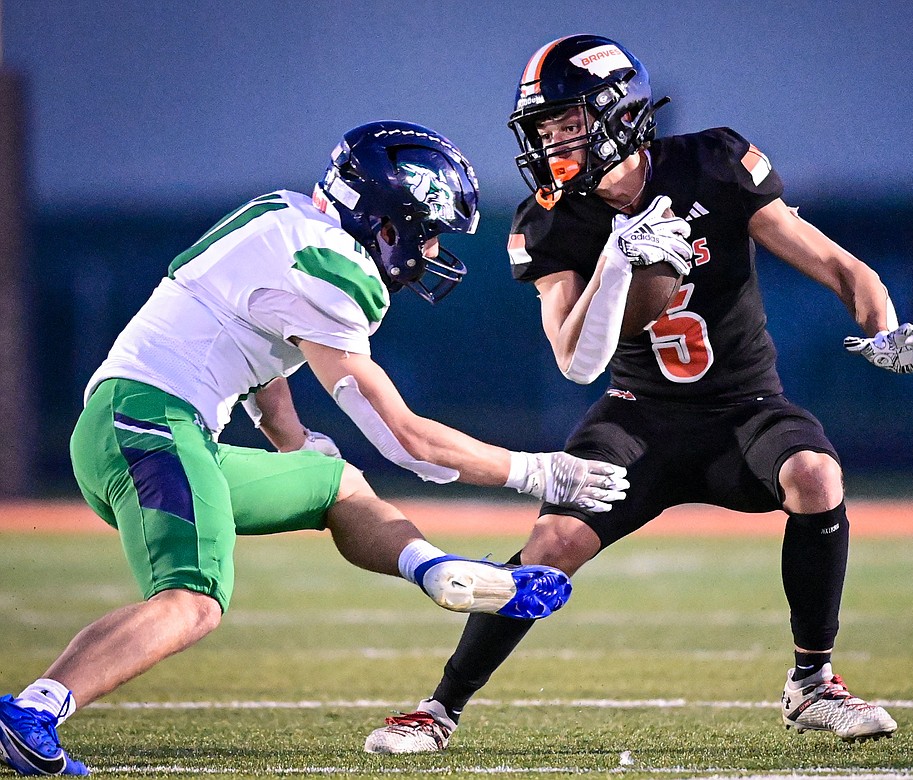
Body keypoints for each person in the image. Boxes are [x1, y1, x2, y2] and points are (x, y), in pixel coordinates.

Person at [363, 36, 913, 755]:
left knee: (817, 475)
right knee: (551, 542)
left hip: (744, 407)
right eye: (543, 130)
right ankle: (438, 708)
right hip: (639, 418)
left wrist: (884, 329)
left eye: (567, 123)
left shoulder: (715, 165)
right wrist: (618, 260)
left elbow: (837, 265)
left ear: (621, 112)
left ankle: (813, 684)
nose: (553, 144)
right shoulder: (554, 216)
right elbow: (574, 353)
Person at [0, 120, 630, 776]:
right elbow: (407, 440)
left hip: (142, 426)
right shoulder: (330, 268)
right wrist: (536, 473)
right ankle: (34, 711)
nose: (434, 247)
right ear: (389, 221)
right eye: (428, 228)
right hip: (149, 425)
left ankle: (438, 571)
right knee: (192, 602)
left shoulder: (288, 218)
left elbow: (260, 367)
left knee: (337, 484)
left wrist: (298, 446)